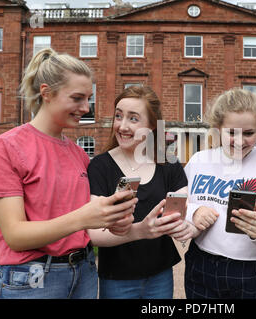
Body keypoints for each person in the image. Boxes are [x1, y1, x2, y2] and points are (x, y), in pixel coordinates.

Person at [0, 48, 137, 299]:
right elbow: (15, 236)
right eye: (77, 98)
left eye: (88, 99)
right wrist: (84, 218)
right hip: (32, 277)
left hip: (83, 271)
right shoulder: (5, 147)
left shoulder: (79, 154)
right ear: (46, 93)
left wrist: (111, 220)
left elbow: (86, 224)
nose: (86, 107)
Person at [183, 88, 256, 299]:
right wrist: (194, 212)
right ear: (218, 128)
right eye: (231, 132)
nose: (239, 141)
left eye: (248, 133)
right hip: (202, 265)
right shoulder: (199, 161)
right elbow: (177, 205)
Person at [87, 85, 190, 299]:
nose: (122, 126)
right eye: (118, 116)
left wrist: (179, 224)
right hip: (117, 277)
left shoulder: (168, 163)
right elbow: (93, 234)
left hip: (161, 274)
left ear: (152, 126)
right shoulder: (100, 166)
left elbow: (184, 209)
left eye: (133, 119)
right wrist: (140, 229)